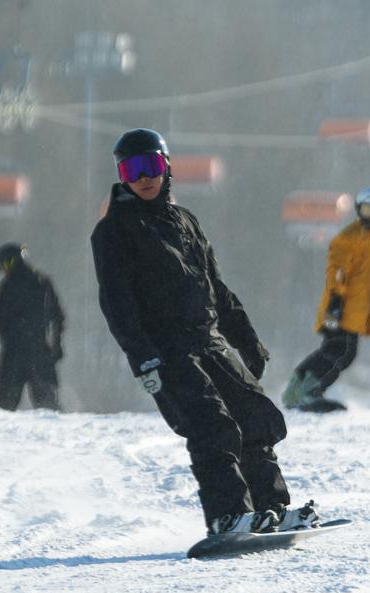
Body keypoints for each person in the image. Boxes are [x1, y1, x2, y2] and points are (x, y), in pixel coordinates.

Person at [91, 128, 318, 536]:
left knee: (255, 418)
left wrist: (247, 340)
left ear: (166, 167)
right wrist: (142, 357)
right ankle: (227, 516)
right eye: (132, 170)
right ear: (121, 176)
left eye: (151, 165)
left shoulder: (185, 221)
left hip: (209, 340)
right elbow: (117, 303)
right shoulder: (114, 231)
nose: (144, 178)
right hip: (166, 349)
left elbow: (216, 287)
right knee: (212, 424)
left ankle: (270, 508)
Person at [282, 185, 370, 413]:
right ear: (358, 209)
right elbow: (338, 271)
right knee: (337, 350)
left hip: (358, 310)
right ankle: (304, 390)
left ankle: (304, 389)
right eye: (368, 210)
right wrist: (334, 304)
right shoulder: (349, 238)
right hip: (340, 306)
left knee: (345, 352)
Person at [0, 243, 65, 411]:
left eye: (4, 265)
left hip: (15, 354)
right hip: (37, 352)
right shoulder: (41, 283)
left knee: (3, 406)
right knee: (48, 407)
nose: (2, 270)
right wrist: (57, 344)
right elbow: (57, 318)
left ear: (12, 262)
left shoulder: (8, 287)